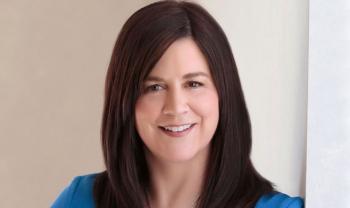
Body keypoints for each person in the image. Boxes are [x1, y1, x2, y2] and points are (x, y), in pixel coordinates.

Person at [51, 1, 304, 207]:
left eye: (194, 84)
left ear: (223, 94)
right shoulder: (80, 200)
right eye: (155, 87)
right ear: (125, 102)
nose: (176, 107)